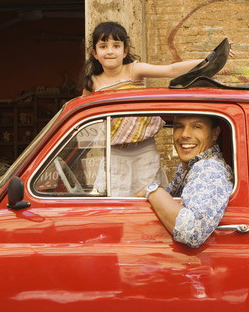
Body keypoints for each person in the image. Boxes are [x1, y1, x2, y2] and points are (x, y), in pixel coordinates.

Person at [82, 21, 208, 197]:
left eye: (116, 45)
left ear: (124, 51)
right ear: (95, 53)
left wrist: (208, 59)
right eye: (103, 46)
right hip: (114, 153)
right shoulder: (92, 83)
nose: (110, 51)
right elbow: (82, 116)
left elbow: (171, 70)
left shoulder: (134, 70)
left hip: (144, 150)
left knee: (148, 198)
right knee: (115, 200)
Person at [136, 115, 233, 248]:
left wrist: (153, 191)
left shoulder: (210, 169)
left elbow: (192, 232)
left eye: (197, 127)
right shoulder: (192, 169)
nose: (185, 134)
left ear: (215, 133)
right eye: (179, 127)